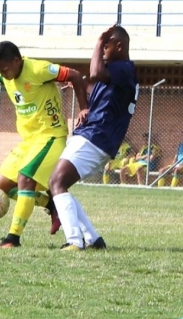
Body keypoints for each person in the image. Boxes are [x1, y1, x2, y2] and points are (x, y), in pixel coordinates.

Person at [0, 41, 87, 249]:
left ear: (17, 61)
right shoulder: (5, 73)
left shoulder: (38, 69)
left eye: (5, 69)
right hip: (29, 139)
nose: (3, 74)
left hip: (50, 136)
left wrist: (83, 108)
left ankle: (12, 238)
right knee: (1, 184)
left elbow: (75, 75)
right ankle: (50, 203)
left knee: (25, 178)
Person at [49, 25, 138, 251]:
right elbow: (97, 85)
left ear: (119, 46)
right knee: (61, 185)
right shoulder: (117, 74)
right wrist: (84, 106)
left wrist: (98, 42)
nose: (103, 52)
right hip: (97, 136)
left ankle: (74, 241)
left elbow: (97, 74)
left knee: (56, 183)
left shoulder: (123, 68)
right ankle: (94, 239)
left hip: (95, 136)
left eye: (106, 47)